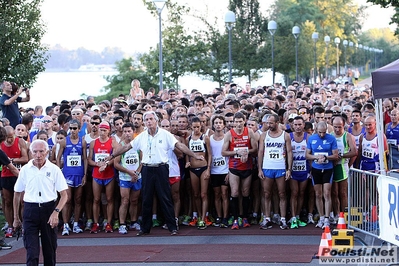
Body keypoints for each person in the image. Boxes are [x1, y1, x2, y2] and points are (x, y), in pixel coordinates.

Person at [108, 111, 204, 236]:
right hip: (147, 169)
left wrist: (194, 155)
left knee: (165, 197)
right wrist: (111, 156)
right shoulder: (141, 136)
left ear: (156, 120)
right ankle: (145, 228)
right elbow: (126, 147)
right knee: (147, 199)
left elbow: (180, 145)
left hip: (161, 168)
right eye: (146, 119)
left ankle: (172, 227)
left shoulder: (165, 134)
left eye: (151, 119)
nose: (149, 121)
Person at [13, 139, 68, 266]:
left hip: (48, 209)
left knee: (50, 250)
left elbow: (64, 195)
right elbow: (17, 193)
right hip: (30, 210)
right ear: (31, 152)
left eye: (41, 151)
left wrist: (56, 212)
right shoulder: (25, 170)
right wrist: (16, 217)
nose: (38, 155)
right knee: (32, 253)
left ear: (47, 152)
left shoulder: (54, 169)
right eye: (35, 152)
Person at [221, 112, 258, 230]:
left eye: (240, 121)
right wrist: (237, 152)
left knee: (246, 192)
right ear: (233, 123)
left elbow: (255, 149)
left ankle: (245, 217)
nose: (238, 124)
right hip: (234, 167)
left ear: (244, 121)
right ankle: (236, 219)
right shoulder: (229, 134)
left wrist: (246, 151)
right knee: (235, 192)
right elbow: (223, 152)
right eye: (236, 122)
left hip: (247, 166)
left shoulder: (249, 132)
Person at [258, 114, 293, 230]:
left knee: (282, 193)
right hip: (267, 167)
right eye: (268, 123)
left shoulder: (285, 135)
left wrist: (289, 169)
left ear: (277, 122)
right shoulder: (264, 135)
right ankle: (267, 218)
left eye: (271, 123)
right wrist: (259, 169)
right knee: (266, 193)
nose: (269, 125)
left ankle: (283, 219)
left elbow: (289, 152)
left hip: (280, 167)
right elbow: (260, 152)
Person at [56, 119, 87, 235]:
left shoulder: (82, 142)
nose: (73, 130)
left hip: (79, 174)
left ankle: (76, 223)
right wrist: (59, 172)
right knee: (67, 200)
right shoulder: (64, 141)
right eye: (71, 128)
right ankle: (65, 225)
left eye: (75, 128)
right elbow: (58, 158)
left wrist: (85, 174)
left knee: (78, 200)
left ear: (79, 129)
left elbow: (84, 159)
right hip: (67, 175)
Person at [87, 121, 119, 233]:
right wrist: (97, 164)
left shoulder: (112, 142)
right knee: (96, 199)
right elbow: (89, 159)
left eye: (105, 130)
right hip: (97, 174)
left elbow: (115, 157)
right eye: (101, 130)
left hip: (109, 174)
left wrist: (106, 165)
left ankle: (109, 223)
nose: (102, 132)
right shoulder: (93, 143)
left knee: (110, 199)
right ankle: (95, 223)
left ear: (109, 131)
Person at [306, 121, 338, 229]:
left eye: (324, 132)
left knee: (327, 194)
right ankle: (321, 217)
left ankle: (327, 218)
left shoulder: (331, 138)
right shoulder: (311, 138)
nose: (322, 135)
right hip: (316, 169)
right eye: (320, 132)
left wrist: (325, 158)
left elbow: (335, 155)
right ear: (316, 130)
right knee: (318, 194)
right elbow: (307, 155)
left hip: (328, 168)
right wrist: (316, 157)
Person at [114, 123, 142, 234]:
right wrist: (129, 172)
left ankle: (134, 221)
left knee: (134, 201)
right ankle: (122, 223)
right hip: (125, 178)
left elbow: (142, 161)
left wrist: (137, 173)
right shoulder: (119, 146)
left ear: (133, 132)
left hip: (137, 177)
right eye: (124, 131)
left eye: (129, 131)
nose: (127, 134)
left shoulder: (138, 145)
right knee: (124, 201)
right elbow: (116, 164)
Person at [1, 126, 29, 238]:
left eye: (11, 137)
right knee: (7, 201)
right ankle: (10, 225)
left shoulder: (20, 141)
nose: (9, 140)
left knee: (22, 201)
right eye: (7, 138)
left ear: (14, 135)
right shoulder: (1, 144)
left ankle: (22, 224)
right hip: (6, 175)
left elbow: (25, 158)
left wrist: (11, 160)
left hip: (18, 174)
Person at [210, 115, 230, 228]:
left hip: (225, 170)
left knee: (224, 194)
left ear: (224, 125)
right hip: (214, 170)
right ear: (213, 125)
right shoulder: (210, 138)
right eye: (216, 122)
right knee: (217, 195)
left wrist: (229, 172)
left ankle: (225, 217)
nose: (218, 125)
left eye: (220, 123)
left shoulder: (227, 137)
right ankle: (218, 216)